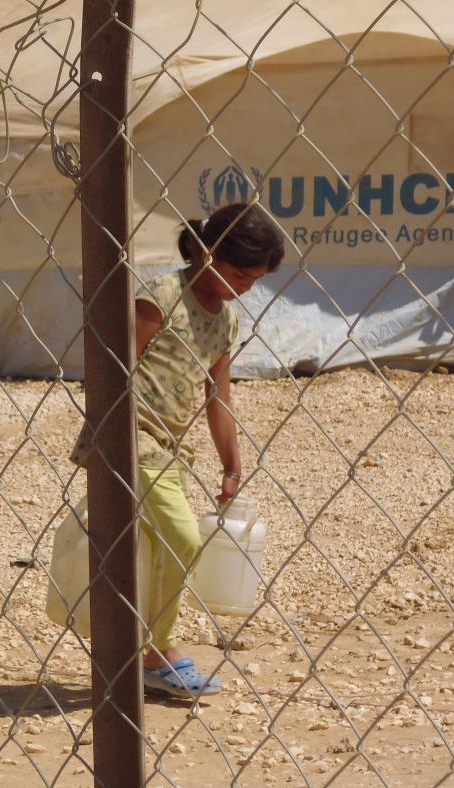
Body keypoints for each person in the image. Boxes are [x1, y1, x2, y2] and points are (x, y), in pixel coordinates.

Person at [72, 202, 285, 699]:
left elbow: (218, 398)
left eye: (255, 280)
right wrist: (109, 434)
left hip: (168, 448)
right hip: (127, 437)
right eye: (238, 274)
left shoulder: (225, 323)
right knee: (182, 539)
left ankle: (128, 651)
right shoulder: (163, 295)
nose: (244, 287)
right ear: (207, 253)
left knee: (150, 548)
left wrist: (232, 466)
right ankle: (156, 653)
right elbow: (115, 367)